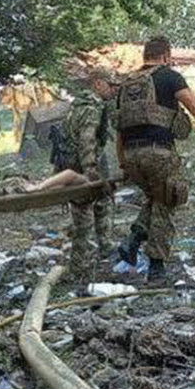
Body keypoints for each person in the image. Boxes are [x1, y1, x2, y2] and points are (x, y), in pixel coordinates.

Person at [115, 36, 195, 284]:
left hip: (132, 156)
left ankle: (133, 241)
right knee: (169, 199)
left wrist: (123, 163)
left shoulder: (126, 85)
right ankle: (156, 267)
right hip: (159, 153)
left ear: (145, 56)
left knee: (157, 198)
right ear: (166, 56)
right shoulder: (169, 77)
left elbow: (120, 129)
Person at [55, 71, 118, 283]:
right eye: (110, 85)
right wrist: (91, 172)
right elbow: (86, 141)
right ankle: (78, 267)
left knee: (102, 204)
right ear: (98, 84)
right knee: (83, 220)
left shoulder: (79, 106)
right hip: (80, 169)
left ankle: (105, 247)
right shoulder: (90, 109)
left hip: (78, 166)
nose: (114, 89)